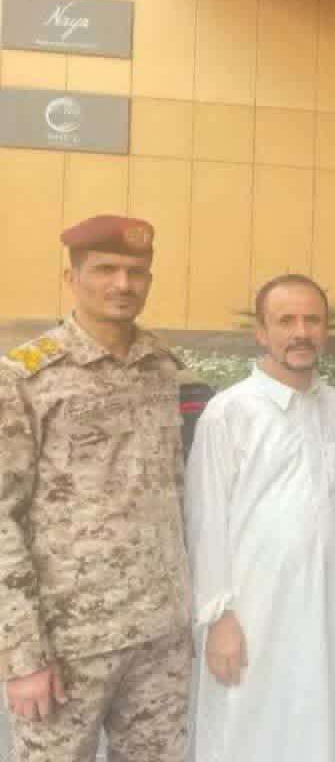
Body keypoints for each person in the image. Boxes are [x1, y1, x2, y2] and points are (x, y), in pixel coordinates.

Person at [0, 215, 191, 762]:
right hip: (68, 644)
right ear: (72, 277)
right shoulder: (25, 377)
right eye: (105, 269)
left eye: (136, 272)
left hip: (159, 637)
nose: (122, 284)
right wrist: (21, 657)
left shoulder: (161, 368)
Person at [186, 273, 335, 762]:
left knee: (316, 726)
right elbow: (205, 523)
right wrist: (218, 619)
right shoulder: (230, 412)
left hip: (321, 609)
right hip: (252, 616)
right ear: (261, 332)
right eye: (286, 321)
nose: (300, 332)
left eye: (312, 320)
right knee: (248, 731)